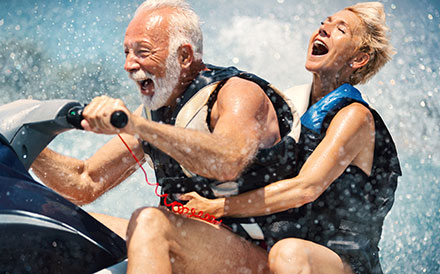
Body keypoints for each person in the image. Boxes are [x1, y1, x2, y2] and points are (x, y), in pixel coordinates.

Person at [32, 0, 303, 272]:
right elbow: (85, 181)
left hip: (254, 254)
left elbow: (227, 160)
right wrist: (24, 143)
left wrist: (136, 126)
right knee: (56, 223)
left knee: (151, 221)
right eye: (126, 52)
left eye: (142, 52)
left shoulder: (237, 93)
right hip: (186, 240)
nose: (128, 65)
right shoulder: (152, 115)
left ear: (184, 56)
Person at [182, 2, 402, 274]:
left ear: (358, 59)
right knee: (189, 234)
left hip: (345, 263)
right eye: (325, 22)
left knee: (288, 252)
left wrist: (217, 206)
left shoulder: (356, 117)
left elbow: (306, 188)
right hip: (284, 249)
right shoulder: (295, 107)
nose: (324, 29)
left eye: (340, 29)